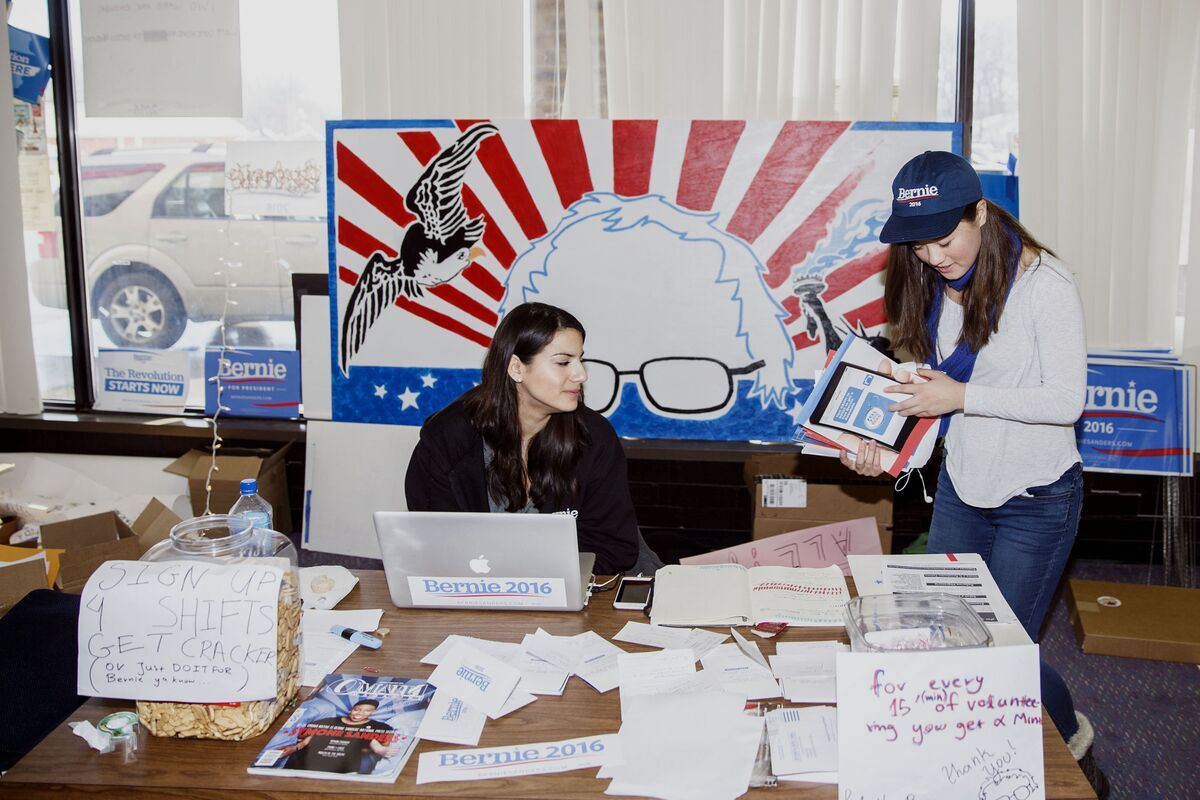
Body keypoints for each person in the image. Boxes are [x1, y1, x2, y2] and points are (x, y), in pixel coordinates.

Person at [842, 151, 1108, 798]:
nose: (933, 256)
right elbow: (934, 401)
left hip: (1037, 499)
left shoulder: (1045, 285)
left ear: (981, 214)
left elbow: (1063, 402)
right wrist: (886, 453)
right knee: (954, 637)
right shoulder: (930, 283)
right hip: (963, 489)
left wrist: (959, 398)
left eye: (945, 237)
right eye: (919, 244)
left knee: (1003, 648)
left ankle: (1071, 735)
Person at [405, 301, 648, 575]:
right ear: (516, 368)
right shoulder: (447, 439)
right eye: (563, 362)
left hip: (575, 598)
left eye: (581, 359)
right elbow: (435, 546)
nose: (581, 374)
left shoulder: (594, 436)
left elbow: (613, 549)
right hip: (472, 594)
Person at [279, 698, 399, 774]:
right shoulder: (327, 721)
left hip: (344, 772)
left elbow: (382, 747)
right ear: (351, 710)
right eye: (357, 709)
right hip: (304, 769)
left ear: (372, 713)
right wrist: (294, 748)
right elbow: (306, 740)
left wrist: (380, 749)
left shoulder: (381, 728)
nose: (360, 713)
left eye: (366, 711)